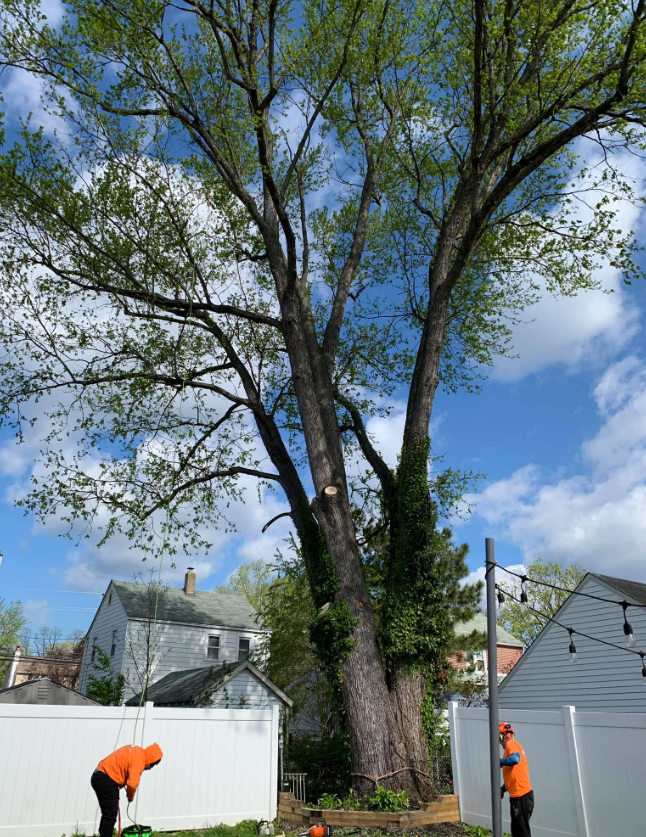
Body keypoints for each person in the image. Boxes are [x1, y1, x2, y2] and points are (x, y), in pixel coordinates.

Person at [91, 743, 163, 837]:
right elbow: (132, 785)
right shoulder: (139, 761)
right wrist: (130, 797)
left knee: (108, 813)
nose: (149, 769)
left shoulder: (137, 750)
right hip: (105, 779)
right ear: (150, 760)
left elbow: (123, 765)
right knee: (110, 815)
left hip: (100, 774)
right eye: (151, 766)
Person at [499, 722, 534, 837]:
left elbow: (515, 759)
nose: (499, 742)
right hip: (518, 797)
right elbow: (514, 776)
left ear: (505, 736)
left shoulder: (511, 744)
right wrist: (503, 789)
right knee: (517, 831)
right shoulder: (512, 747)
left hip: (521, 797)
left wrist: (500, 762)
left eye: (499, 738)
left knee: (521, 832)